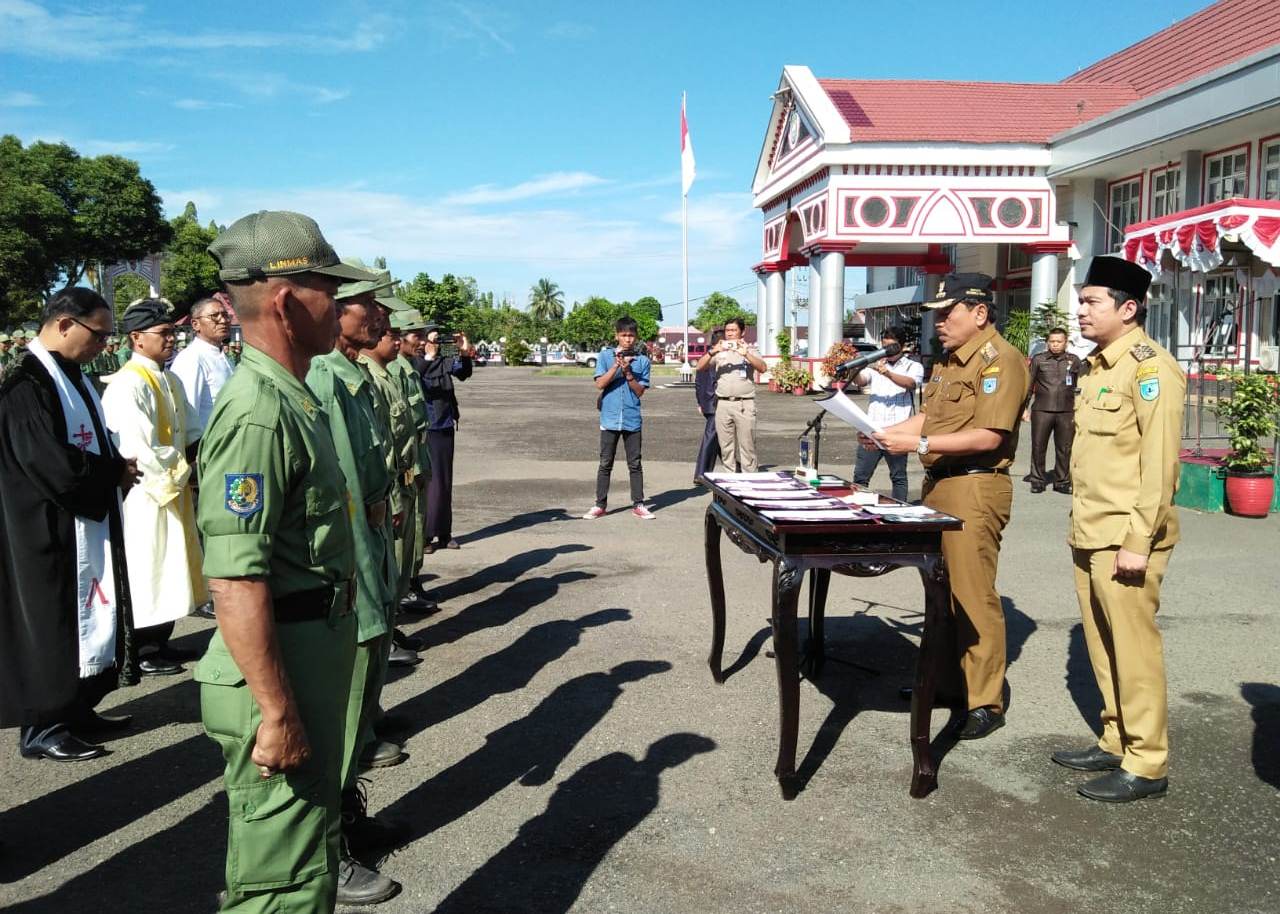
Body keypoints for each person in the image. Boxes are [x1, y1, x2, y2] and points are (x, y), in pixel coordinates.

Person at [195, 210, 399, 910]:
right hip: (274, 674)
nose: (340, 305)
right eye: (327, 290)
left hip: (306, 653)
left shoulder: (293, 396)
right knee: (279, 884)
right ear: (285, 301)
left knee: (308, 861)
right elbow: (234, 576)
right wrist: (277, 711)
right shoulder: (258, 410)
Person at [872, 274, 1029, 740]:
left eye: (947, 313)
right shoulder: (947, 363)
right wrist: (890, 431)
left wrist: (916, 441)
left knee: (972, 594)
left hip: (976, 487)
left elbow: (990, 435)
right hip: (939, 484)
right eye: (936, 315)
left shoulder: (1001, 360)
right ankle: (943, 683)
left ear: (979, 313)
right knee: (939, 593)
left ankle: (984, 700)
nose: (938, 323)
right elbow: (934, 418)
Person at [1052, 255, 1185, 804]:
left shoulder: (1151, 369)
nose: (1080, 311)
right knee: (1103, 648)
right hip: (1091, 530)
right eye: (1080, 301)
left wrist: (1138, 541)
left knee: (1133, 650)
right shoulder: (1098, 366)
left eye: (1091, 302)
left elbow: (1159, 467)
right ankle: (1115, 737)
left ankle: (1147, 761)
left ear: (1128, 309)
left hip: (1126, 538)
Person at [0, 287, 141, 762]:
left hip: (79, 520)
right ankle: (43, 725)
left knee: (83, 615)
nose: (104, 346)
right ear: (64, 324)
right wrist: (112, 473)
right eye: (98, 335)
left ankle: (77, 706)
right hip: (43, 529)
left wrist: (114, 463)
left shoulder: (71, 375)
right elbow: (51, 464)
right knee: (52, 621)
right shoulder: (26, 386)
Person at [305, 267, 412, 886]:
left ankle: (348, 813)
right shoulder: (327, 377)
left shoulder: (352, 377)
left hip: (370, 543)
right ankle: (328, 850)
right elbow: (345, 490)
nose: (377, 315)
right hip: (352, 554)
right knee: (344, 707)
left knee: (363, 691)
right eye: (365, 304)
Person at [101, 298, 207, 676]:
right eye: (163, 334)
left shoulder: (170, 378)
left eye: (172, 333)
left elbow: (191, 431)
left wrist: (200, 458)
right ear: (136, 338)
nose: (171, 340)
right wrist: (183, 471)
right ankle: (143, 646)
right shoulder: (128, 384)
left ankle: (162, 640)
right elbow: (136, 446)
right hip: (149, 493)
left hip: (174, 488)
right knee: (150, 567)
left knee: (173, 566)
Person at [358, 300, 427, 670]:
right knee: (390, 565)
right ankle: (386, 631)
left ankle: (391, 627)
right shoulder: (373, 377)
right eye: (393, 335)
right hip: (388, 487)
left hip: (402, 481)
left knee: (400, 562)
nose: (400, 342)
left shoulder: (387, 373)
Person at [584, 315, 653, 520]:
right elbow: (599, 384)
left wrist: (629, 372)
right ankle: (600, 504)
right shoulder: (605, 356)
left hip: (632, 418)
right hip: (610, 418)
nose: (628, 339)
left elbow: (640, 391)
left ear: (636, 337)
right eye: (624, 335)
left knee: (635, 463)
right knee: (605, 462)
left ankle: (639, 504)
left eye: (631, 335)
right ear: (617, 336)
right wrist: (616, 366)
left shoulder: (642, 361)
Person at [419, 322, 474, 551]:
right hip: (425, 428)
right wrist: (429, 358)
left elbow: (463, 372)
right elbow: (417, 374)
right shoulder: (415, 362)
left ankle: (444, 532)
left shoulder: (442, 361)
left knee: (444, 482)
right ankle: (425, 536)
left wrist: (463, 351)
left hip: (444, 425)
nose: (437, 345)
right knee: (428, 483)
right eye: (433, 340)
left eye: (439, 340)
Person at [852, 326, 923, 502]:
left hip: (898, 432)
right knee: (861, 476)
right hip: (872, 430)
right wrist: (854, 368)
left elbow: (911, 383)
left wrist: (888, 374)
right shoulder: (877, 364)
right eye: (884, 346)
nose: (888, 351)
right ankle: (859, 512)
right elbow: (861, 381)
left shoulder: (913, 366)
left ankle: (900, 513)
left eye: (892, 346)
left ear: (902, 345)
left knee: (898, 477)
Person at [695, 318, 767, 472]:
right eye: (728, 331)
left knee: (747, 446)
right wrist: (712, 351)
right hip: (723, 404)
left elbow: (763, 368)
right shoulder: (719, 352)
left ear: (742, 332)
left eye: (734, 330)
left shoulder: (750, 350)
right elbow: (700, 367)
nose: (730, 334)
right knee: (726, 447)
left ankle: (750, 481)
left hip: (744, 404)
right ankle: (731, 481)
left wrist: (746, 354)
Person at [1023, 327, 1087, 494]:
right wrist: (1024, 408)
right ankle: (1037, 480)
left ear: (1065, 343)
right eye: (1052, 341)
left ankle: (1062, 481)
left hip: (1066, 411)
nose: (1055, 345)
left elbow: (1081, 385)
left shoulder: (1074, 360)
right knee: (1038, 446)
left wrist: (1082, 408)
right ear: (1047, 343)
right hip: (1042, 410)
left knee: (1065, 448)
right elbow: (1029, 385)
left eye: (1059, 341)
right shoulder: (1039, 360)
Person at [171, 295, 236, 437]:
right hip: (209, 448)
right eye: (214, 316)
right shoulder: (191, 359)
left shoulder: (223, 356)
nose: (223, 320)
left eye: (225, 315)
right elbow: (188, 414)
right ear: (195, 324)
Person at [693, 330, 723, 480]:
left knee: (719, 439)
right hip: (715, 404)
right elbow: (705, 382)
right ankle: (701, 473)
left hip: (707, 402)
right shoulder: (714, 359)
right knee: (711, 437)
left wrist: (699, 401)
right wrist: (701, 402)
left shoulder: (704, 358)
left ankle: (737, 467)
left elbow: (698, 383)